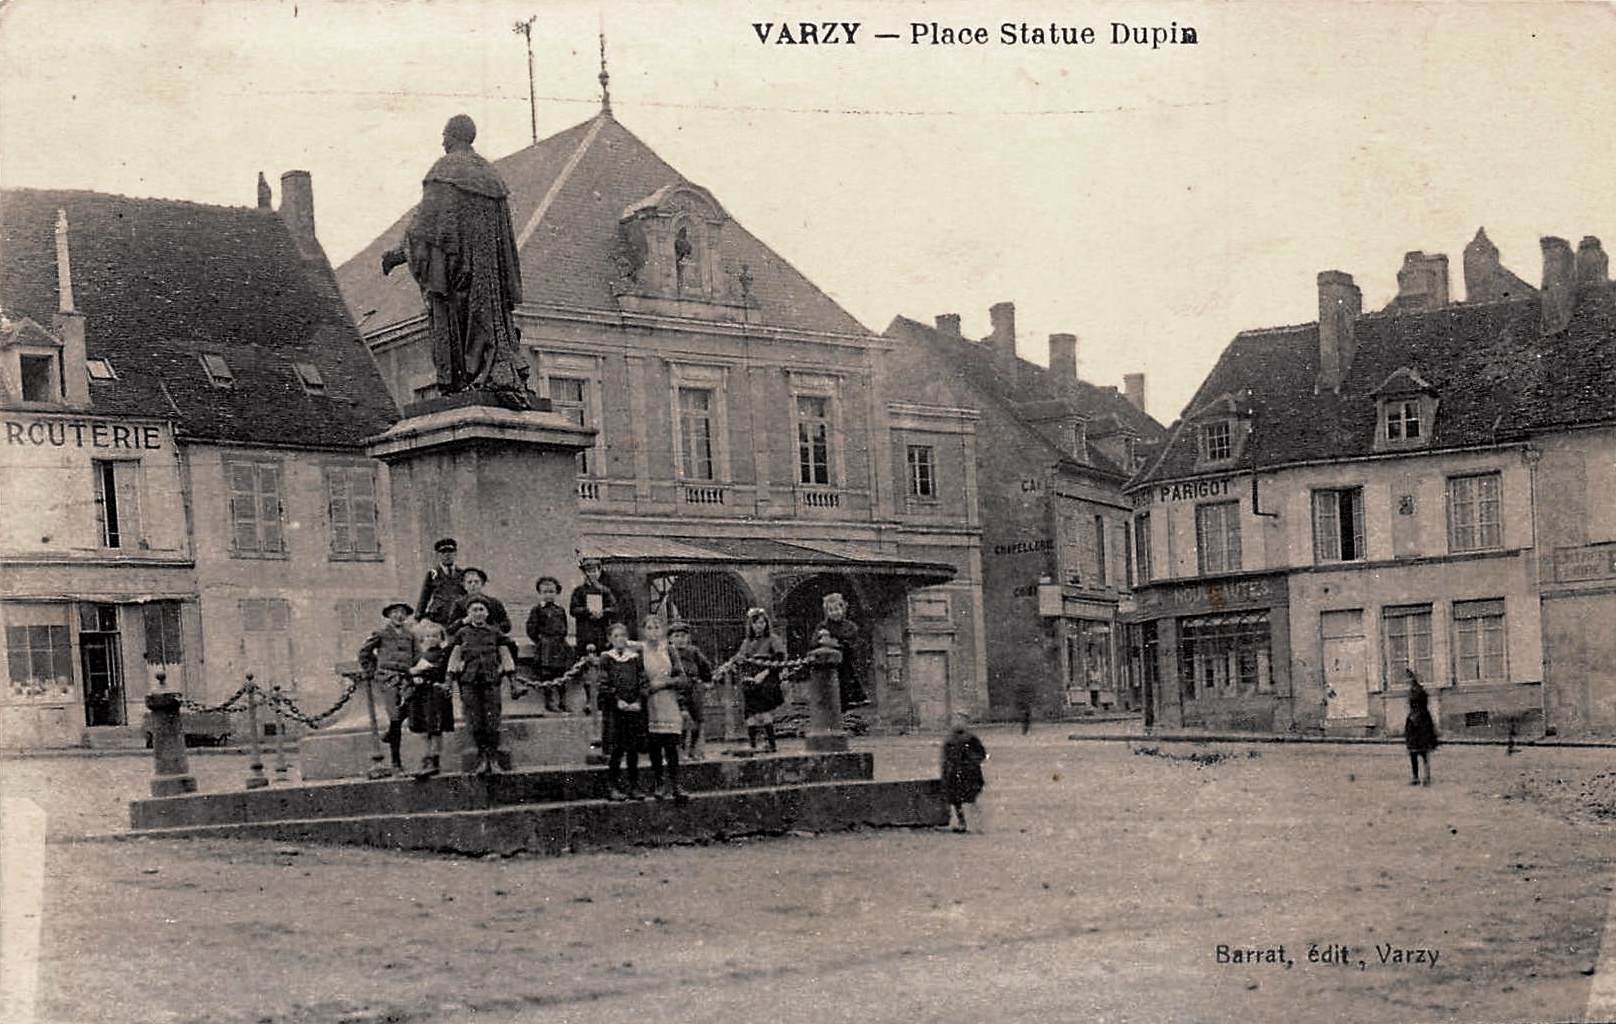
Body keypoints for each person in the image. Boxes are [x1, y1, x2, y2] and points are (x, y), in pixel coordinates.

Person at [381, 113, 530, 404]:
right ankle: (489, 374)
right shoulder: (492, 178)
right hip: (490, 283)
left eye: (444, 135)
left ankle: (462, 380)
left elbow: (424, 226)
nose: (442, 141)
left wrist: (397, 255)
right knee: (487, 327)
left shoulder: (445, 171)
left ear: (453, 136)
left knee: (452, 329)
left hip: (455, 274)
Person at [448, 597, 516, 775]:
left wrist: (510, 676)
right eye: (474, 610)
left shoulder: (495, 632)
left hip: (491, 681)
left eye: (481, 610)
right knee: (475, 721)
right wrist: (449, 680)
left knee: (492, 721)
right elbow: (454, 658)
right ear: (468, 614)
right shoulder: (462, 633)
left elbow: (506, 654)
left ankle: (493, 759)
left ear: (486, 613)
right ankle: (481, 757)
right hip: (469, 682)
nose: (477, 613)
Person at [357, 601, 418, 775]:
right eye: (395, 612)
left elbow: (417, 656)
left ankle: (390, 732)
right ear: (389, 615)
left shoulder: (410, 635)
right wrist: (373, 670)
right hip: (388, 678)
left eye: (402, 613)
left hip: (407, 678)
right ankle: (396, 762)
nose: (399, 616)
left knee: (409, 706)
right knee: (395, 715)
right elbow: (364, 652)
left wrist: (417, 671)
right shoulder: (381, 633)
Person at [639, 614, 689, 803]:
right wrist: (647, 688)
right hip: (650, 704)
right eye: (649, 628)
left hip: (669, 701)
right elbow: (639, 678)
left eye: (657, 628)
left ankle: (676, 784)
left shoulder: (669, 650)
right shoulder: (640, 651)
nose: (653, 632)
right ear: (644, 631)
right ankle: (659, 783)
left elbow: (682, 678)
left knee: (671, 746)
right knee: (654, 745)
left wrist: (664, 684)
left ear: (662, 631)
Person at [598, 622, 648, 800]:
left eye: (623, 635)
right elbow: (604, 684)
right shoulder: (606, 658)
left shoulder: (634, 658)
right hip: (615, 710)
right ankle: (613, 786)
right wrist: (617, 701)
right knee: (617, 749)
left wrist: (638, 701)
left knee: (633, 749)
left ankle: (634, 786)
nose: (620, 639)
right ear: (610, 639)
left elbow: (642, 681)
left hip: (633, 709)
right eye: (616, 636)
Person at [404, 619, 455, 779]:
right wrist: (413, 676)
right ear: (421, 639)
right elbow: (407, 671)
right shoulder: (418, 656)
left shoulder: (444, 654)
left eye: (435, 636)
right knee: (423, 728)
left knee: (435, 728)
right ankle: (425, 759)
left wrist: (419, 673)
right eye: (427, 636)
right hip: (420, 694)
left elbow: (440, 671)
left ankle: (434, 759)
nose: (431, 639)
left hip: (435, 693)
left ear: (441, 638)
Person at [735, 608, 787, 753]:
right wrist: (746, 675)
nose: (759, 626)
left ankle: (772, 744)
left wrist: (764, 674)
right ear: (751, 625)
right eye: (756, 623)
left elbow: (779, 659)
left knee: (764, 712)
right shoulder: (747, 642)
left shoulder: (772, 639)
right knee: (750, 714)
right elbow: (741, 659)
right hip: (750, 676)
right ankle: (753, 745)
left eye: (762, 622)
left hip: (767, 675)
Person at [667, 619, 713, 761]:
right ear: (670, 639)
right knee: (680, 720)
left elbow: (706, 667)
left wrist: (706, 682)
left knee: (697, 720)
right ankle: (680, 750)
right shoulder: (668, 653)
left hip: (694, 689)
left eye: (683, 636)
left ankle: (693, 749)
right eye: (677, 636)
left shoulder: (693, 652)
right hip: (676, 689)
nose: (680, 640)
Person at [525, 576, 572, 712]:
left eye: (551, 591)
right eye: (545, 592)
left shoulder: (560, 610)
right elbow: (531, 628)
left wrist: (561, 639)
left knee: (562, 674)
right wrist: (541, 641)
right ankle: (549, 702)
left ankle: (563, 701)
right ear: (540, 593)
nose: (548, 595)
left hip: (559, 645)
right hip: (546, 646)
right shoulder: (537, 610)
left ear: (557, 593)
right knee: (548, 675)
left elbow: (564, 627)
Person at [816, 592, 870, 710]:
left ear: (843, 609)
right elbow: (815, 642)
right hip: (828, 664)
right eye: (831, 610)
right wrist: (821, 638)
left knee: (847, 683)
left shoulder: (850, 626)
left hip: (847, 662)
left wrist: (837, 642)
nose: (835, 613)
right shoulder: (823, 626)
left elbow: (853, 642)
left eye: (837, 609)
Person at [940, 715, 988, 833]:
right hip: (966, 774)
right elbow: (982, 755)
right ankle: (975, 824)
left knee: (959, 802)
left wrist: (946, 774)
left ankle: (965, 823)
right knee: (969, 801)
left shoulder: (950, 741)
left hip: (958, 774)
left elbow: (946, 761)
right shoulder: (970, 739)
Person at [569, 557, 618, 658]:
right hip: (585, 631)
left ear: (599, 572)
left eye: (594, 571)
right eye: (589, 571)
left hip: (601, 631)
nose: (592, 574)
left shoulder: (605, 591)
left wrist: (603, 612)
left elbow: (614, 608)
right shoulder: (578, 591)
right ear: (584, 573)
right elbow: (573, 609)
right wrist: (587, 612)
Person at [416, 538, 466, 627]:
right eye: (443, 552)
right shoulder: (433, 574)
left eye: (450, 551)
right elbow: (424, 597)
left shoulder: (462, 574)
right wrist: (418, 616)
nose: (447, 555)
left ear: (455, 554)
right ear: (438, 555)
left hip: (458, 616)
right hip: (439, 617)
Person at [450, 568, 512, 635]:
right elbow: (450, 629)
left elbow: (506, 625)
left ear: (482, 584)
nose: (473, 585)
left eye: (476, 582)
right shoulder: (459, 604)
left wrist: (491, 627)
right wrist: (463, 621)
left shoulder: (494, 603)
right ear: (464, 586)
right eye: (469, 582)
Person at [1403, 669, 1439, 786]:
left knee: (1423, 751)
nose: (1408, 681)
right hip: (1414, 722)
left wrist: (1415, 717)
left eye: (1409, 678)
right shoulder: (1413, 691)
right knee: (1414, 751)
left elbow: (1422, 705)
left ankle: (1425, 777)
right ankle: (1416, 777)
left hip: (1421, 722)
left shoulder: (1419, 691)